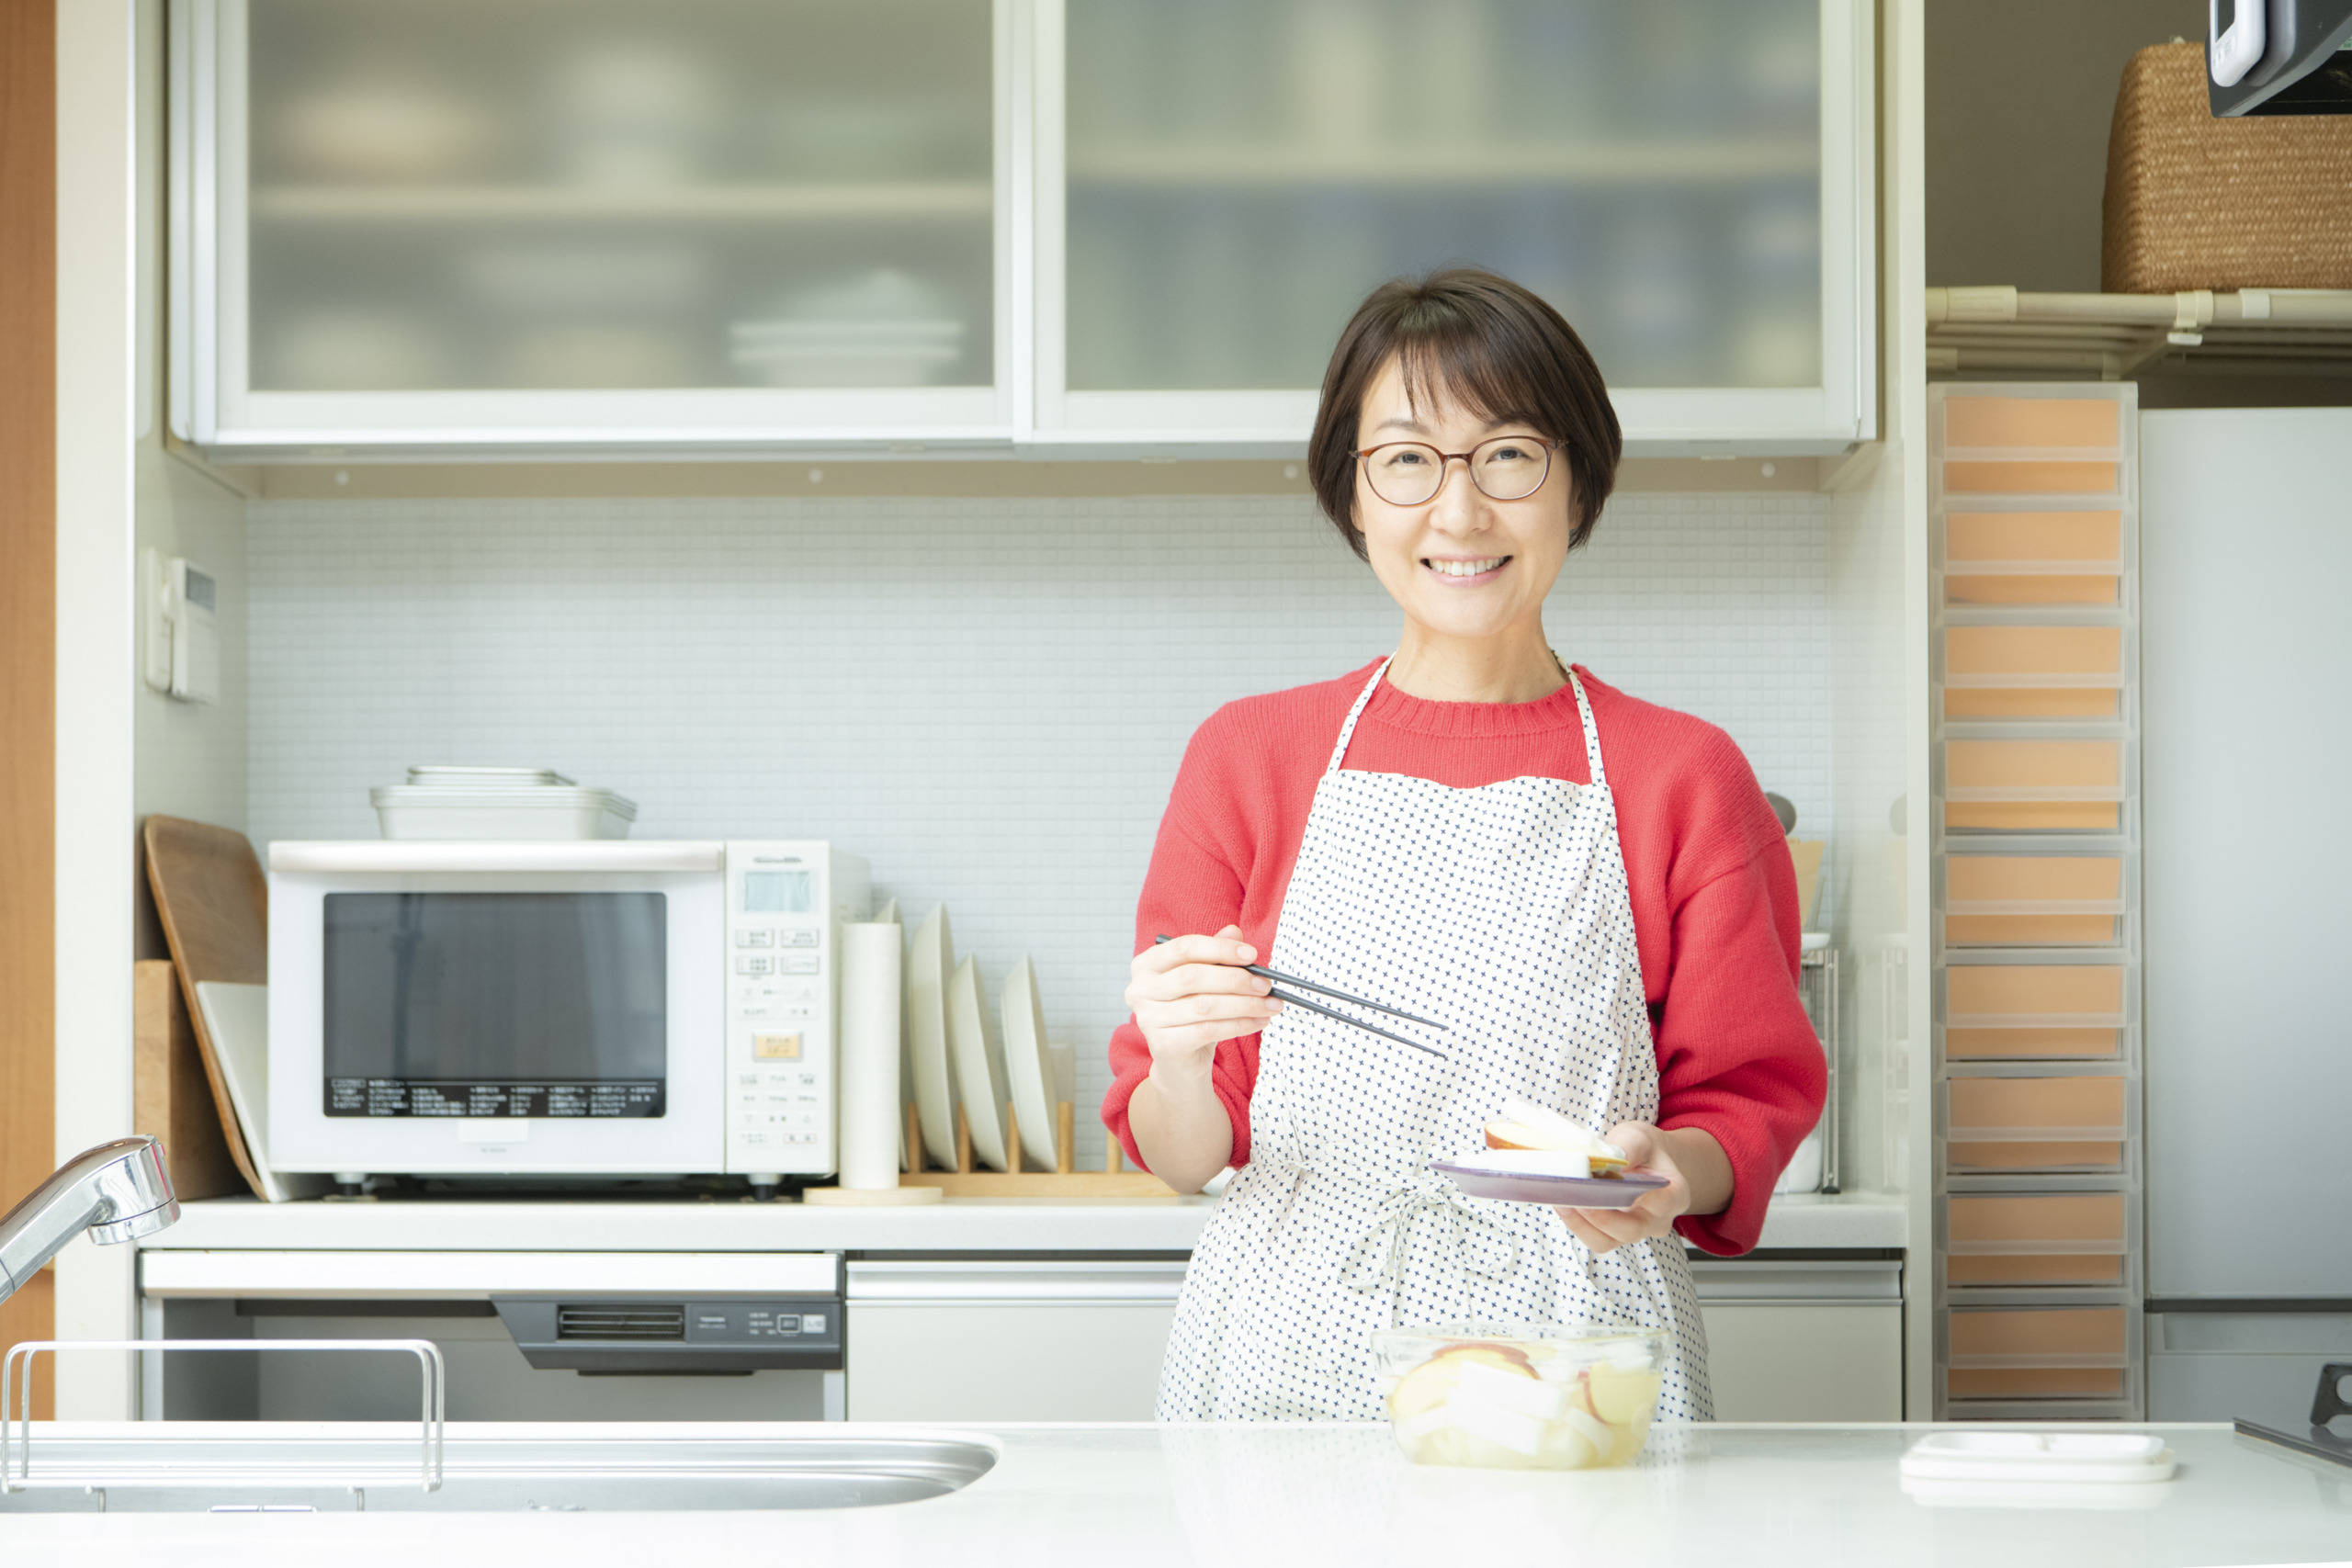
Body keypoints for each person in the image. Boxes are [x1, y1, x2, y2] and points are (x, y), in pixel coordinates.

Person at [1101, 268, 1826, 1423]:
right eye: (1405, 459)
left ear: (1577, 483)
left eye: (1507, 454)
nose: (1459, 512)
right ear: (1352, 497)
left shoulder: (1682, 775)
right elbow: (1186, 1152)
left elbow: (1746, 1104)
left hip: (1573, 1354)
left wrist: (1660, 1174)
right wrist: (1179, 1060)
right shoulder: (1249, 755)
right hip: (1288, 1349)